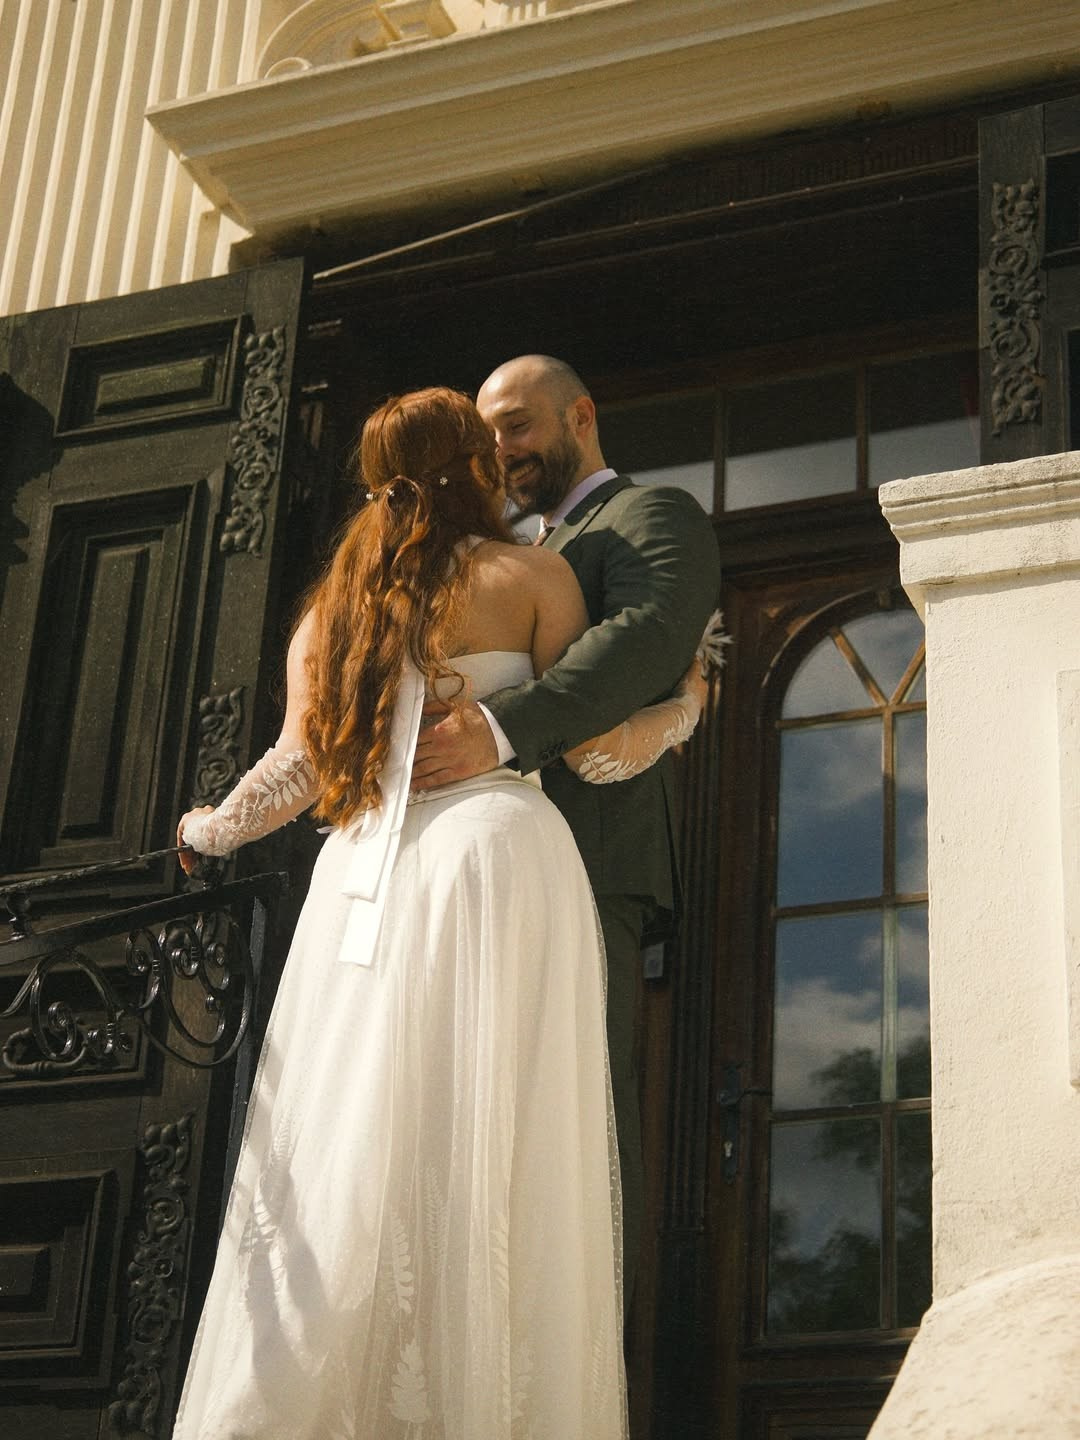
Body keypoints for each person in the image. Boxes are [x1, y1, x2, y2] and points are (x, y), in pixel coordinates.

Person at [171, 387, 711, 1440]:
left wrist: (208, 830)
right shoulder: (533, 575)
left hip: (368, 871)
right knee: (504, 1124)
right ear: (474, 465)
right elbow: (597, 750)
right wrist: (684, 701)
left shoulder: (335, 610)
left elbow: (290, 771)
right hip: (497, 859)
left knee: (358, 1120)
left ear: (375, 481)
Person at [412, 356, 722, 1316]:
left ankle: (593, 1374)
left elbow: (651, 635)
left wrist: (501, 730)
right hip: (469, 872)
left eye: (516, 426)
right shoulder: (495, 548)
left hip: (588, 860)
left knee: (582, 1117)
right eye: (488, 434)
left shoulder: (647, 516)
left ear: (581, 415)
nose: (500, 451)